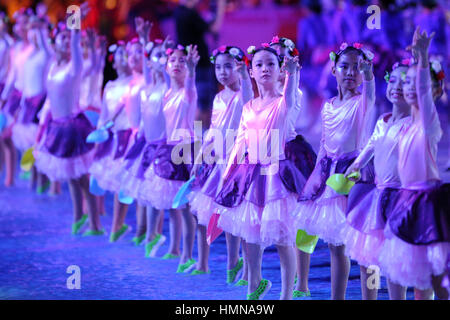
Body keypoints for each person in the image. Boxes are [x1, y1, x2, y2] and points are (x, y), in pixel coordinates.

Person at [214, 45, 307, 300]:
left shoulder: (285, 101)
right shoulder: (248, 106)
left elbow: (291, 94)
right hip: (251, 172)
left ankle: (287, 292)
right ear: (251, 72)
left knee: (282, 237)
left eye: (270, 64)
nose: (265, 68)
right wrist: (227, 173)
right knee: (249, 232)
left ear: (279, 70)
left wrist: (292, 73)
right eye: (259, 65)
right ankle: (253, 283)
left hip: (276, 173)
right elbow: (240, 142)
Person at [294, 42, 376, 300]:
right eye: (345, 66)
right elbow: (324, 144)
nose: (350, 72)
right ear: (333, 69)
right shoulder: (328, 106)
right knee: (334, 245)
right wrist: (316, 178)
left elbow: (371, 94)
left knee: (363, 248)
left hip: (354, 177)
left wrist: (371, 75)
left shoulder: (363, 102)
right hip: (329, 175)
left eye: (357, 68)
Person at [377, 27, 449, 300]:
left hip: (428, 202)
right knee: (419, 277)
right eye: (404, 83)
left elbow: (424, 94)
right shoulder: (405, 126)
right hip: (406, 201)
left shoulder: (427, 123)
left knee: (437, 278)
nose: (409, 88)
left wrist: (421, 56)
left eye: (414, 84)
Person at [343, 60, 411, 300]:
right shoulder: (383, 120)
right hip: (378, 196)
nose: (397, 87)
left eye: (405, 82)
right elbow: (371, 146)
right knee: (369, 255)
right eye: (393, 80)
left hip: (401, 197)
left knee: (395, 258)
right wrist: (357, 165)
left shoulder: (413, 125)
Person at [33, 3, 103, 236]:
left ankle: (93, 223)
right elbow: (44, 44)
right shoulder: (53, 65)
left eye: (67, 39)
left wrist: (75, 17)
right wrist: (40, 24)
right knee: (71, 178)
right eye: (60, 39)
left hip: (74, 127)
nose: (64, 41)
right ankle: (78, 217)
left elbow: (74, 39)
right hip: (57, 126)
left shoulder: (75, 66)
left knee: (82, 179)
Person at [187, 45, 252, 278]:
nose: (223, 72)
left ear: (240, 68)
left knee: (236, 217)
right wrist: (200, 156)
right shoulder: (218, 98)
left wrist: (245, 75)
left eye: (229, 66)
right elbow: (213, 130)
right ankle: (205, 262)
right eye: (218, 67)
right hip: (217, 165)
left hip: (237, 167)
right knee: (204, 214)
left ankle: (242, 267)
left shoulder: (244, 96)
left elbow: (246, 93)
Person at [143, 43, 200, 272]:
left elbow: (191, 84)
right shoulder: (167, 93)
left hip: (185, 151)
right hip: (168, 148)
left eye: (182, 61)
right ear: (166, 67)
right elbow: (153, 75)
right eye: (173, 61)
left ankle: (187, 255)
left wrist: (193, 68)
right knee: (172, 206)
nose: (177, 64)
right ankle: (175, 249)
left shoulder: (188, 92)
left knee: (185, 209)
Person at [11, 15, 52, 193]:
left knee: (37, 142)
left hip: (39, 101)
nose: (34, 34)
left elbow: (44, 44)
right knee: (28, 141)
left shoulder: (46, 52)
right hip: (27, 99)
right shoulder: (30, 53)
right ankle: (34, 176)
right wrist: (21, 102)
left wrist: (40, 27)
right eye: (32, 30)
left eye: (37, 31)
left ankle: (43, 178)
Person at [173, 0, 226, 128]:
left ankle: (196, 140)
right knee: (203, 105)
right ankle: (201, 141)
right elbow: (215, 28)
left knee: (194, 103)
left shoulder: (179, 11)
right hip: (200, 65)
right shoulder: (189, 14)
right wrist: (221, 7)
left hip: (190, 65)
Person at [0, 8, 33, 187]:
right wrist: (5, 96)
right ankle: (10, 176)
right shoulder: (16, 48)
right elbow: (13, 73)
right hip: (15, 94)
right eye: (18, 24)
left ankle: (29, 171)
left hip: (30, 97)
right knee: (6, 134)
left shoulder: (35, 48)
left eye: (24, 23)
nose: (20, 27)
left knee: (26, 136)